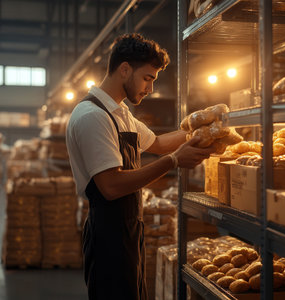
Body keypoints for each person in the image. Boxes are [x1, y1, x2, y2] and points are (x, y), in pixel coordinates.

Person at [66, 33, 216, 300]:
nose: (150, 89)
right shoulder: (93, 117)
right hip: (108, 235)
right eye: (148, 78)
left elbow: (157, 142)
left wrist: (203, 128)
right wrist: (173, 161)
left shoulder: (120, 113)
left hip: (129, 227)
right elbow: (111, 186)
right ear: (125, 69)